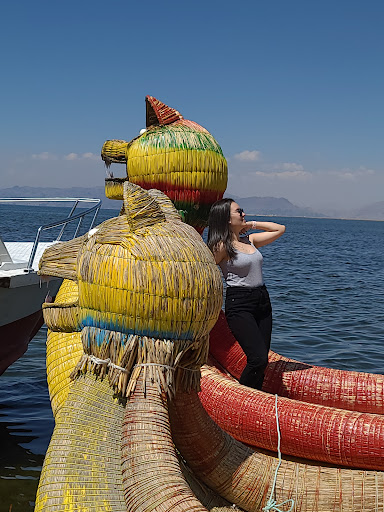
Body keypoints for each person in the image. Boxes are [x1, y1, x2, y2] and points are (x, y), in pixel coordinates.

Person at [207, 198, 285, 390]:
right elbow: (205, 269)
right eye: (239, 211)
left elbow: (280, 229)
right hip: (240, 303)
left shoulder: (249, 240)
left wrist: (250, 225)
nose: (243, 213)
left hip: (262, 301)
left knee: (262, 360)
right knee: (257, 358)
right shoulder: (221, 246)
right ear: (226, 218)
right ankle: (240, 397)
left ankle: (254, 396)